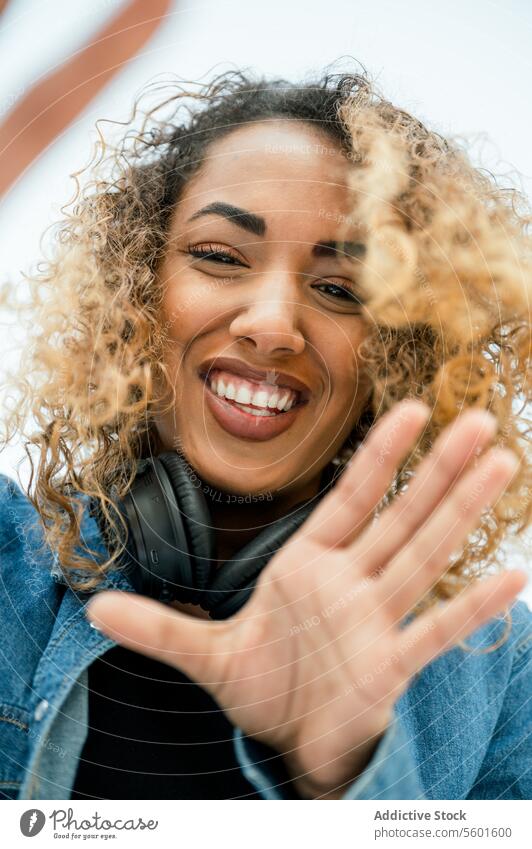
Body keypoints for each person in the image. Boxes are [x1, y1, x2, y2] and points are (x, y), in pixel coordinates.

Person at [0, 65, 530, 801]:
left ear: (398, 349)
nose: (274, 324)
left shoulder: (499, 665)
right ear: (135, 292)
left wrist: (343, 778)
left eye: (341, 289)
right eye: (219, 257)